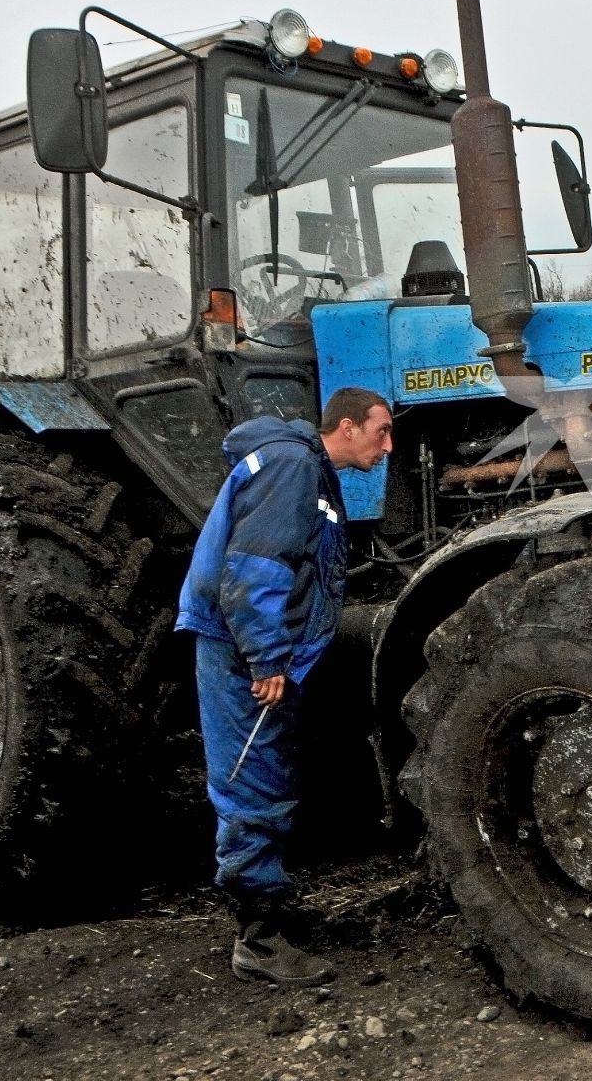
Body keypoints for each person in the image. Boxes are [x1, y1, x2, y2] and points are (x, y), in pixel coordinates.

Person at [177, 388, 394, 986]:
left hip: (252, 645)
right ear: (347, 427)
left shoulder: (304, 467)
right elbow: (256, 567)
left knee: (269, 768)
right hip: (240, 649)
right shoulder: (293, 466)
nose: (389, 444)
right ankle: (258, 940)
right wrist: (266, 658)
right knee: (253, 776)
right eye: (382, 430)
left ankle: (271, 908)